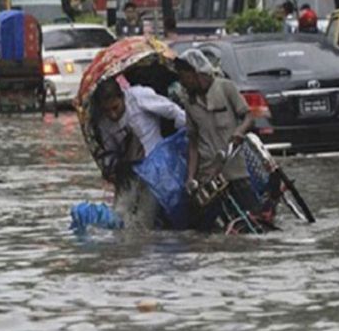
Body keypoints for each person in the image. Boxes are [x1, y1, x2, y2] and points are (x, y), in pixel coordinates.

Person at [175, 49, 259, 227]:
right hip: (208, 173)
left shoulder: (225, 87)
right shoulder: (189, 102)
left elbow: (248, 117)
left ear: (197, 73)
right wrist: (191, 177)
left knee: (254, 217)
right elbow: (193, 142)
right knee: (205, 226)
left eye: (185, 77)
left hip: (234, 169)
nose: (183, 82)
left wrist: (239, 132)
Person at [94, 76, 186, 228]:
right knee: (119, 215)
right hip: (129, 172)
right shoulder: (103, 122)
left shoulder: (139, 97)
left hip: (157, 169)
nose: (113, 115)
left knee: (145, 217)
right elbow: (109, 152)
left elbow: (173, 112)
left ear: (122, 97)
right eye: (107, 111)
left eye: (115, 108)